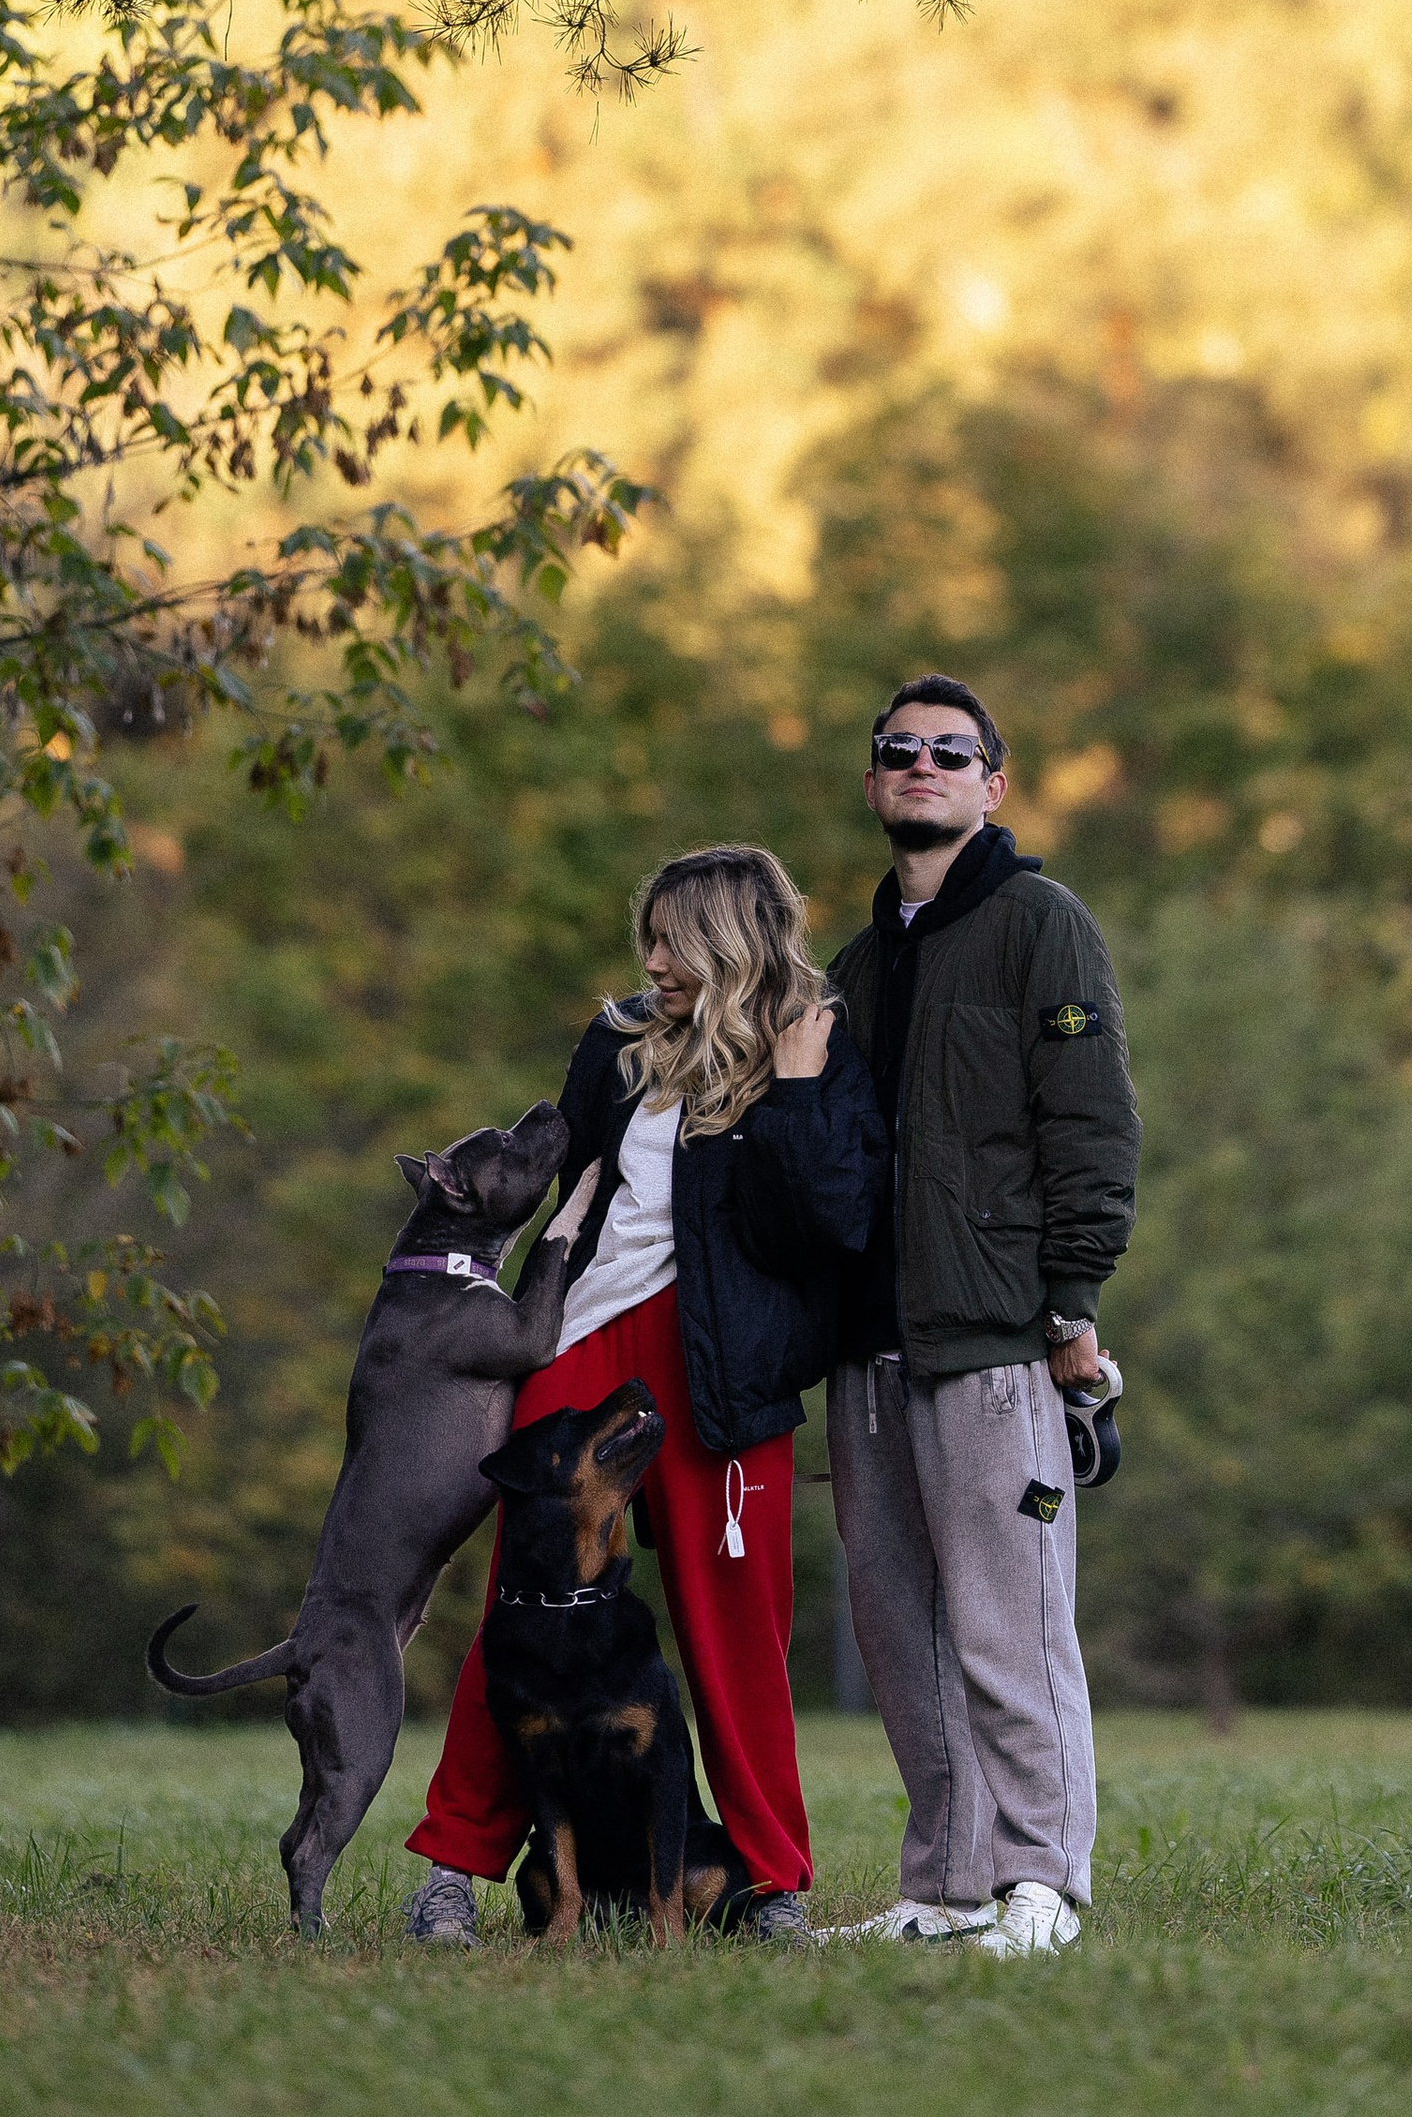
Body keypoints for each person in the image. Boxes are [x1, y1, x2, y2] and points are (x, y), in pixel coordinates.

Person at [404, 843, 887, 1946]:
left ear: (730, 940)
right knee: (517, 1616)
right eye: (648, 939)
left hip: (728, 1367)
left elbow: (834, 1226)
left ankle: (769, 1883)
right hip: (582, 1351)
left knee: (738, 1634)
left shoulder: (816, 1045)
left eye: (672, 939)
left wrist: (801, 1090)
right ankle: (453, 1868)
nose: (654, 960)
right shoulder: (619, 1041)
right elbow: (557, 1183)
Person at [824, 674, 1140, 1958]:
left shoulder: (1037, 924)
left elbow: (1093, 1125)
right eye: (899, 750)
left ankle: (1041, 1883)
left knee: (1013, 1627)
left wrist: (1071, 1305)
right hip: (869, 1353)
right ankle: (946, 1884)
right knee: (905, 1638)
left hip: (997, 1339)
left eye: (950, 753)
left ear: (992, 782)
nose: (922, 767)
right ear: (873, 781)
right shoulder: (853, 965)